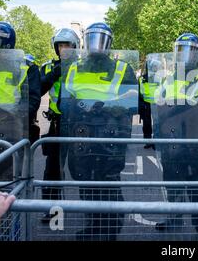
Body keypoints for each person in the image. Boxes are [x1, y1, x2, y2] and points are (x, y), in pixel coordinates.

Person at [60, 22, 138, 241]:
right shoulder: (74, 67)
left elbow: (133, 101)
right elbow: (63, 102)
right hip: (82, 134)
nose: (96, 44)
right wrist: (79, 108)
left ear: (109, 43)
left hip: (110, 135)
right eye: (92, 38)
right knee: (85, 183)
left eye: (101, 39)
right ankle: (93, 226)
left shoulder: (122, 68)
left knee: (108, 183)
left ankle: (111, 230)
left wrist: (109, 108)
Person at [153, 33, 198, 241]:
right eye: (180, 50)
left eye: (189, 50)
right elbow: (158, 107)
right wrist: (158, 132)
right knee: (172, 185)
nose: (183, 55)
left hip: (193, 145)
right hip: (170, 143)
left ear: (197, 54)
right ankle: (174, 217)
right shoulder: (168, 79)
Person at [0, 22, 41, 180]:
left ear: (7, 44)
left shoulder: (25, 67)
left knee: (6, 180)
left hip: (8, 131)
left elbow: (32, 100)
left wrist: (15, 119)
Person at [39, 28, 80, 222]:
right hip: (57, 124)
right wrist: (55, 73)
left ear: (75, 47)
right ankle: (52, 211)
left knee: (82, 169)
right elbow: (36, 89)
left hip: (79, 124)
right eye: (60, 45)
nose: (63, 49)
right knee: (52, 170)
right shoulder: (49, 67)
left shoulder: (82, 67)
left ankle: (90, 211)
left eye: (67, 45)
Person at [138, 64, 156, 150]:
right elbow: (139, 92)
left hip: (153, 103)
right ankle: (149, 141)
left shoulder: (159, 78)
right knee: (148, 124)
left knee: (153, 124)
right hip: (147, 103)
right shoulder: (142, 79)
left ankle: (152, 141)